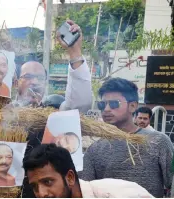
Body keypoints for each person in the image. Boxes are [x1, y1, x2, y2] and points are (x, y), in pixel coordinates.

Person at [22, 20, 92, 197]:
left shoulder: (53, 111)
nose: (34, 82)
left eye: (39, 78)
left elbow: (80, 103)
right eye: (28, 77)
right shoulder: (5, 112)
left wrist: (74, 52)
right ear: (17, 82)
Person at [80, 78, 173, 198]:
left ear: (133, 106)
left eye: (114, 104)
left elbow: (172, 182)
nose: (107, 109)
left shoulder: (159, 141)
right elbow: (86, 190)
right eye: (102, 104)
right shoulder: (94, 149)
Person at [23, 144, 153, 198]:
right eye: (34, 187)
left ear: (70, 178)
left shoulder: (122, 194)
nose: (41, 194)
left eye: (48, 182)